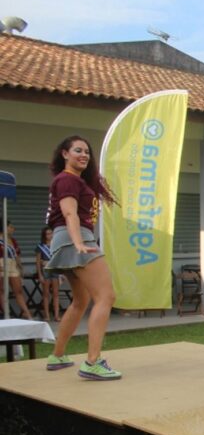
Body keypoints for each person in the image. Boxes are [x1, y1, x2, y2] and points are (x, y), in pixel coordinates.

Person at [43, 136, 120, 379]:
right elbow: (69, 213)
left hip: (65, 239)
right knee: (106, 296)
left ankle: (57, 355)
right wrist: (78, 243)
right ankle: (92, 362)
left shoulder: (75, 180)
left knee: (80, 300)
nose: (84, 154)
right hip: (74, 238)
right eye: (78, 150)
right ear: (65, 154)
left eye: (87, 151)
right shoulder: (67, 179)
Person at [1, 224, 32, 319]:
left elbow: (17, 255)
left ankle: (26, 312)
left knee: (18, 290)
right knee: (1, 290)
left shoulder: (13, 240)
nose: (13, 229)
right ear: (4, 228)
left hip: (12, 264)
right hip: (1, 264)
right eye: (10, 227)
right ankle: (7, 314)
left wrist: (20, 267)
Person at [34, 227, 61, 322]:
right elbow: (37, 262)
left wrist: (62, 274)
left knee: (56, 294)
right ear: (44, 235)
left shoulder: (56, 245)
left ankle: (57, 315)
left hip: (55, 269)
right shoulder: (40, 247)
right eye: (48, 234)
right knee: (45, 294)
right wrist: (40, 274)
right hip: (45, 270)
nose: (50, 236)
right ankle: (47, 315)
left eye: (51, 233)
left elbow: (59, 259)